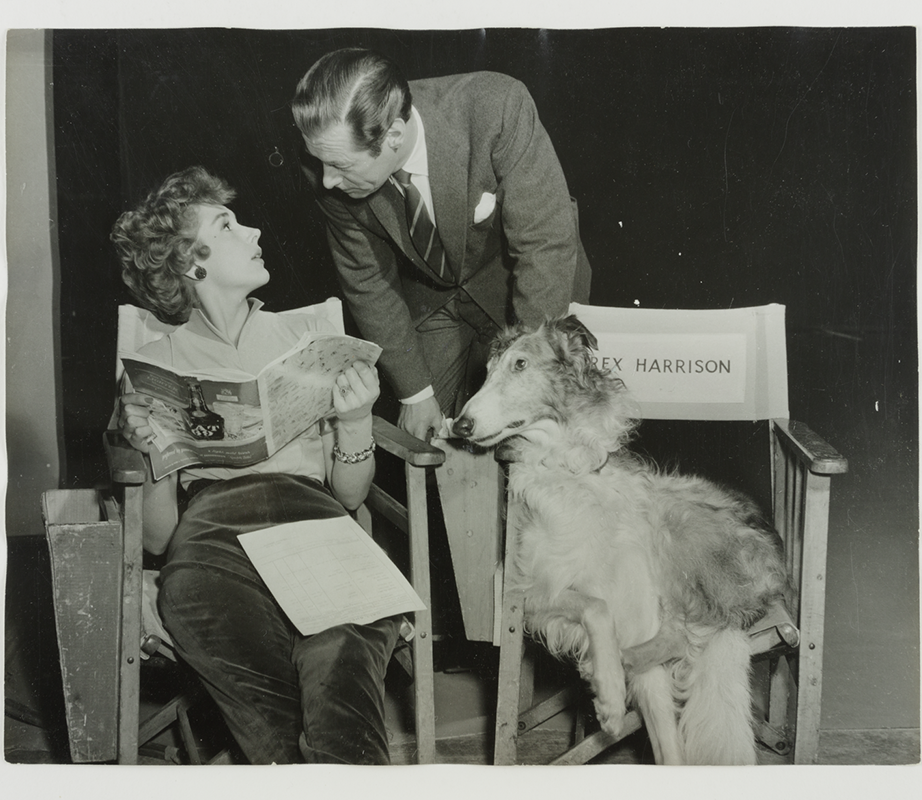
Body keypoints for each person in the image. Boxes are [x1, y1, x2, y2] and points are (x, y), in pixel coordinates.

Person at [111, 166, 400, 765]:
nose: (253, 229)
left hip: (312, 517)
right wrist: (157, 455)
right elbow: (161, 538)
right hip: (214, 533)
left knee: (345, 642)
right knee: (203, 608)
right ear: (193, 262)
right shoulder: (151, 368)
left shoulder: (306, 338)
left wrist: (354, 420)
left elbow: (348, 496)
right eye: (227, 223)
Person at [291, 48, 592, 441]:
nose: (327, 180)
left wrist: (526, 373)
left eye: (341, 167)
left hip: (524, 287)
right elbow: (367, 280)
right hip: (433, 299)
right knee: (424, 443)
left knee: (536, 434)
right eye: (321, 162)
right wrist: (415, 393)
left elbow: (544, 244)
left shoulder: (496, 107)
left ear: (394, 136)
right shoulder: (327, 161)